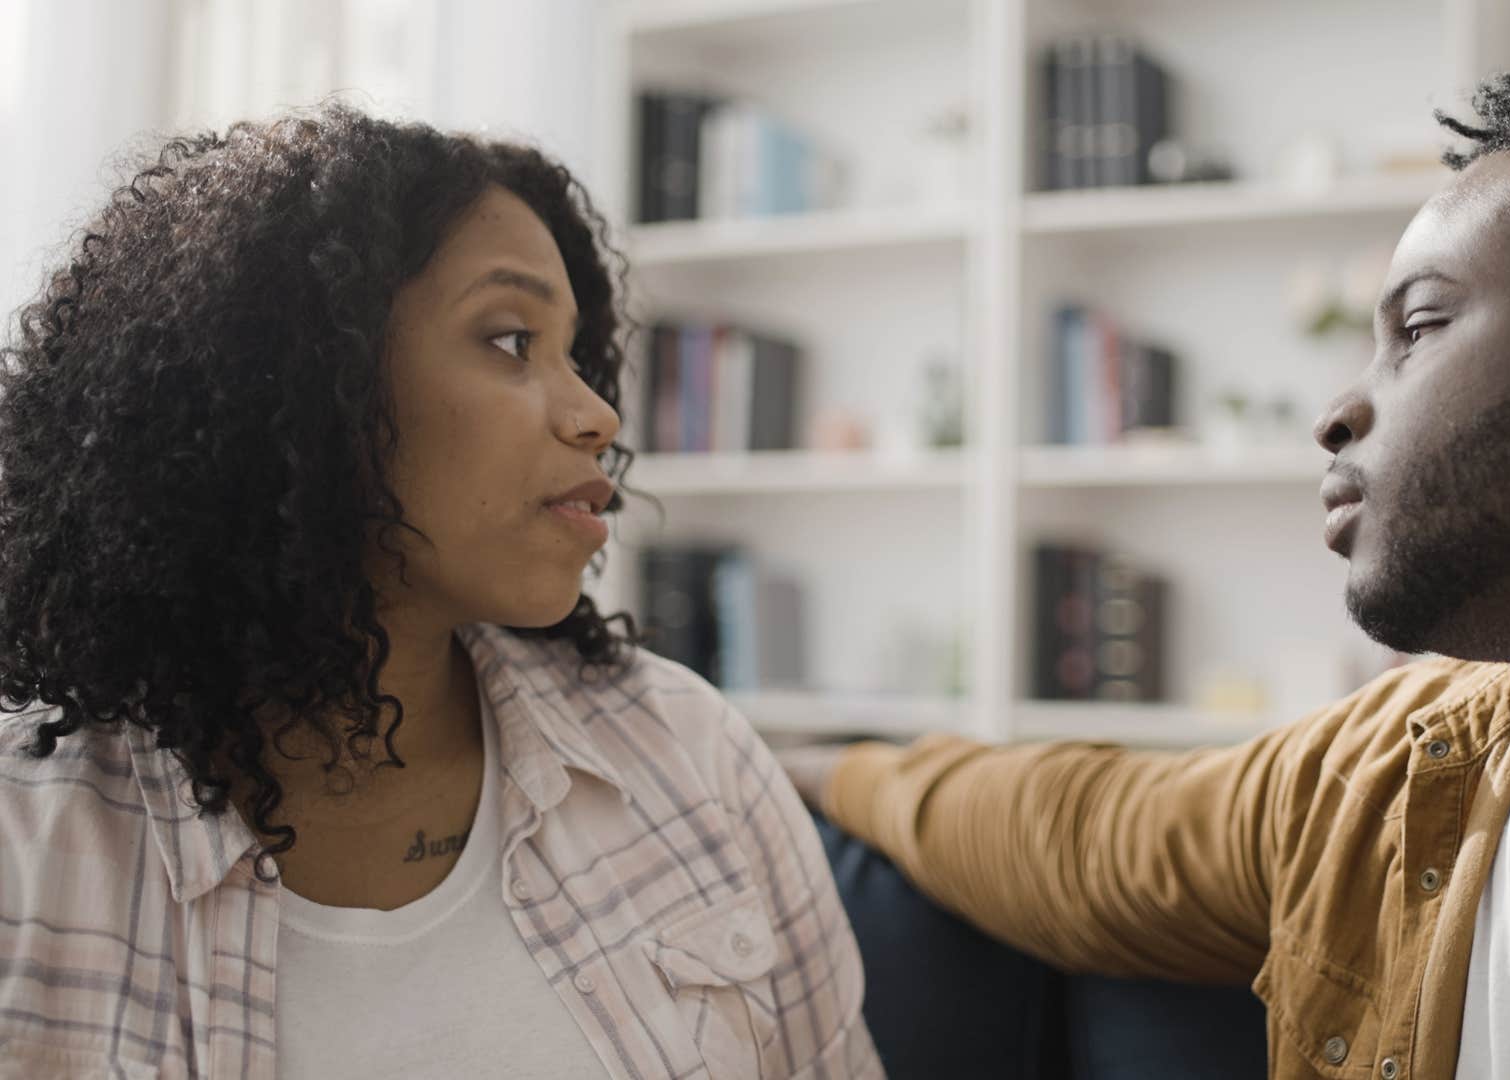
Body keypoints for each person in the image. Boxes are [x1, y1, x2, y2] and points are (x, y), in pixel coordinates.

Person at [786, 35, 1510, 1078]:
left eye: (1417, 330)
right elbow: (1084, 833)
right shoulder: (1396, 767)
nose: (1337, 413)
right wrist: (807, 771)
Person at [0, 105, 879, 1079]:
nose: (597, 413)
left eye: (577, 356)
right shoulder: (28, 839)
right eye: (511, 341)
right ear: (304, 384)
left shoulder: (690, 756)